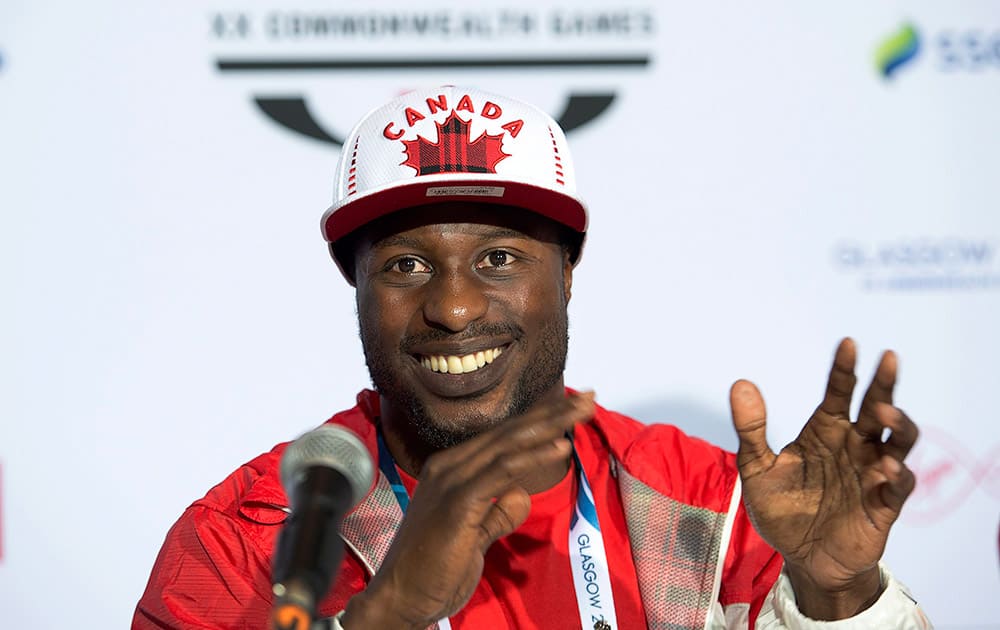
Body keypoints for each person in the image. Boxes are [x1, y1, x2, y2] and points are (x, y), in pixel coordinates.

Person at [133, 86, 932, 629]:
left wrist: (839, 595)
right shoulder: (251, 533)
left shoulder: (708, 507)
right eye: (405, 265)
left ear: (569, 277)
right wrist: (385, 617)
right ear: (356, 287)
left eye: (500, 259)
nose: (452, 308)